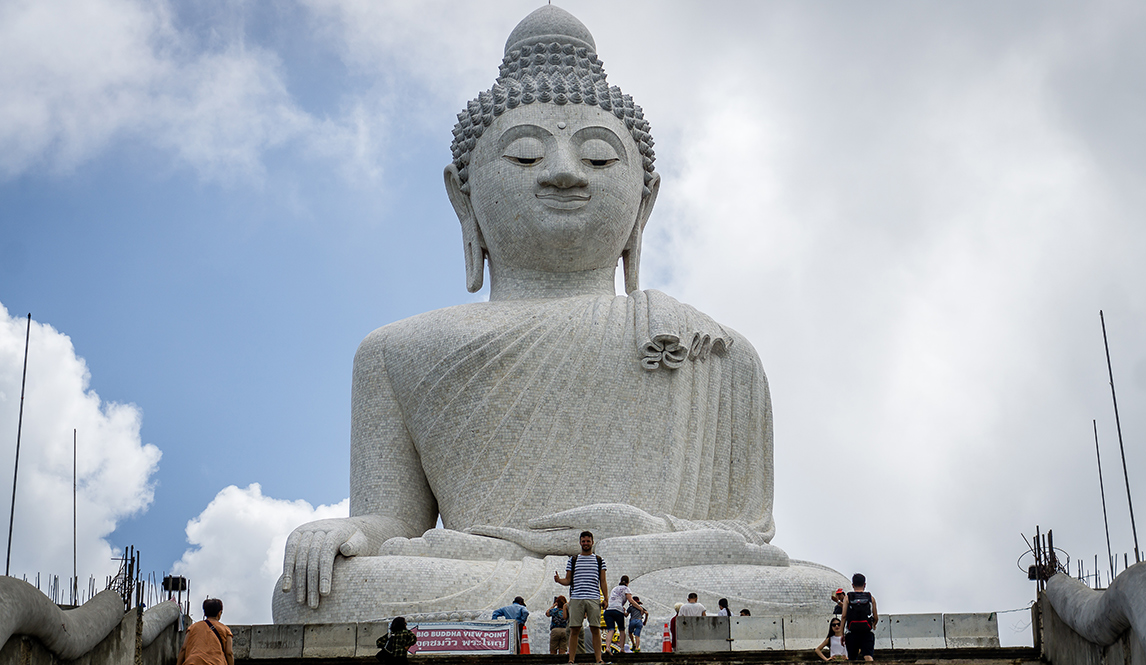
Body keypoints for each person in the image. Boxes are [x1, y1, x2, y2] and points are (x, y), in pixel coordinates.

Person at [273, 4, 851, 625]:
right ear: (461, 194)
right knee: (314, 592)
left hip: (650, 570)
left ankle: (571, 601)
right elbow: (395, 523)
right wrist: (347, 533)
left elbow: (745, 537)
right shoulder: (396, 351)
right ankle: (570, 602)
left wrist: (638, 535)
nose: (563, 173)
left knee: (822, 591)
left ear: (644, 199)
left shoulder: (716, 350)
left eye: (600, 158)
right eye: (525, 155)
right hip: (479, 569)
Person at [553, 531, 608, 664]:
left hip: (593, 597)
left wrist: (606, 598)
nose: (585, 543)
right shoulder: (573, 560)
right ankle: (571, 659)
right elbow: (568, 580)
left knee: (595, 628)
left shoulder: (599, 560)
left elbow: (603, 581)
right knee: (574, 629)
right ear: (580, 542)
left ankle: (599, 659)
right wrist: (559, 580)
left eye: (588, 541)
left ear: (592, 542)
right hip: (577, 597)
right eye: (583, 541)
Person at [178, 598, 233, 665]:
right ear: (219, 613)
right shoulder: (225, 629)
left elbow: (183, 648)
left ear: (204, 613)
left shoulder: (193, 627)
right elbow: (229, 653)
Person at [840, 573, 878, 662]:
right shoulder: (870, 598)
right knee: (868, 656)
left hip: (852, 632)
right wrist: (874, 624)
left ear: (852, 585)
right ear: (865, 584)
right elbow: (875, 616)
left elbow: (844, 616)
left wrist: (842, 633)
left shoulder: (847, 597)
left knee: (852, 658)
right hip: (866, 631)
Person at [603, 575, 644, 654]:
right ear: (628, 583)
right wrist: (640, 608)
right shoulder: (626, 589)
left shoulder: (614, 588)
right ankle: (622, 649)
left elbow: (614, 600)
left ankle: (607, 648)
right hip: (618, 611)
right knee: (621, 630)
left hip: (608, 611)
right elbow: (631, 601)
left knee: (611, 630)